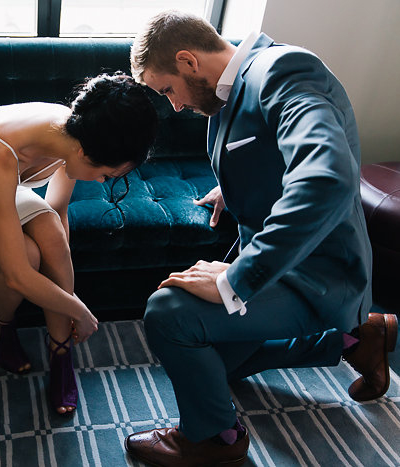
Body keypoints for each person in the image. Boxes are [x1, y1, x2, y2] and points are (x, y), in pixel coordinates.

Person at [124, 10, 398, 466]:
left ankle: (215, 440)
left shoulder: (284, 71)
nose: (173, 106)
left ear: (189, 61)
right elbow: (268, 156)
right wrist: (231, 189)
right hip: (282, 267)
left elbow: (326, 179)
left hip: (316, 273)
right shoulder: (227, 96)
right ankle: (356, 340)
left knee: (170, 315)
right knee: (218, 367)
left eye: (166, 89)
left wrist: (234, 282)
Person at [0, 73, 158, 415]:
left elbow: (57, 212)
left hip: (5, 193)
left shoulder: (78, 133)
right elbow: (18, 275)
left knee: (49, 230)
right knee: (26, 258)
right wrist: (80, 311)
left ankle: (61, 352)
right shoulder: (1, 152)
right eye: (107, 174)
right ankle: (0, 323)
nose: (103, 182)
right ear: (84, 152)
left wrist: (62, 276)